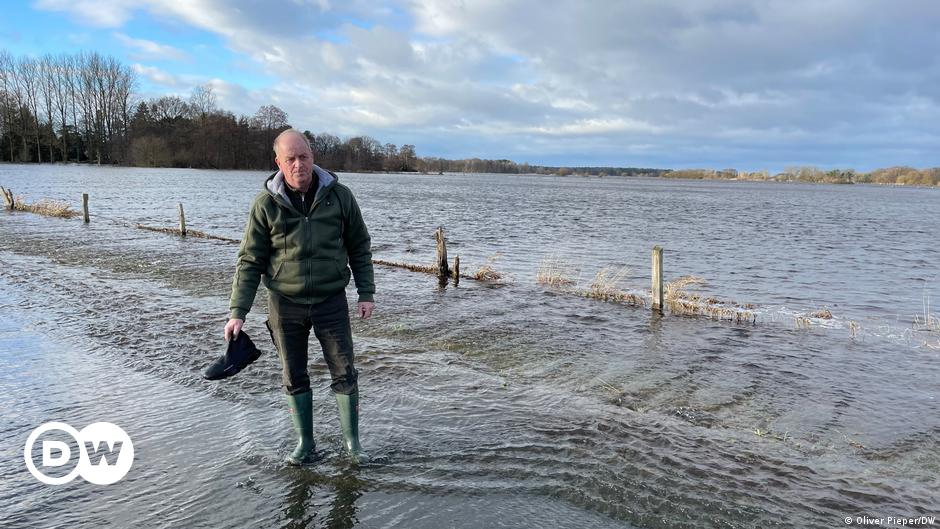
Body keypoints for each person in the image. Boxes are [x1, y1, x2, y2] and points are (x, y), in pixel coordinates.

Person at [224, 128, 375, 465]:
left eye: (303, 156)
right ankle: (305, 443)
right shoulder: (265, 205)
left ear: (313, 157)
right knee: (294, 374)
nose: (298, 165)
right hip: (284, 303)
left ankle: (353, 444)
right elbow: (250, 260)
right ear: (278, 162)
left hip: (331, 300)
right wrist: (238, 311)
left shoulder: (341, 197)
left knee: (345, 371)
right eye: (290, 159)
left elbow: (359, 246)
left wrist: (366, 292)